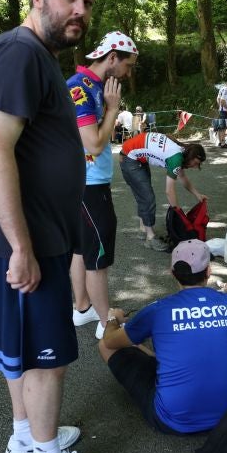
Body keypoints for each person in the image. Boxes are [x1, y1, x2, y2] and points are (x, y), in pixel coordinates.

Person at [0, 0, 108, 453]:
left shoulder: (37, 56)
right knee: (49, 359)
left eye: (87, 3)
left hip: (31, 235)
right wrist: (21, 247)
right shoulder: (21, 52)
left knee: (22, 350)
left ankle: (26, 438)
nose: (79, 11)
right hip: (26, 240)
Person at [98, 239, 227, 434]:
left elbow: (110, 341)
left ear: (172, 274)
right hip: (226, 416)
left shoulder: (158, 309)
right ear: (208, 271)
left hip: (172, 420)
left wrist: (113, 319)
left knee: (104, 346)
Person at [66, 31, 139, 341]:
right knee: (98, 254)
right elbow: (94, 145)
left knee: (82, 250)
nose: (129, 72)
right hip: (88, 184)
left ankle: (83, 309)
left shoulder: (90, 85)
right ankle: (104, 324)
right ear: (112, 58)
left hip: (85, 182)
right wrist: (112, 109)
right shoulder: (79, 88)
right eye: (128, 65)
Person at [120, 132, 207, 251]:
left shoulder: (181, 151)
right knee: (147, 197)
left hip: (135, 155)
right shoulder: (176, 158)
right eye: (196, 163)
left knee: (143, 193)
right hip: (129, 158)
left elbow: (183, 178)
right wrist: (177, 212)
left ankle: (143, 229)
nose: (195, 166)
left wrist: (198, 195)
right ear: (191, 157)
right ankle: (150, 238)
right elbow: (169, 190)